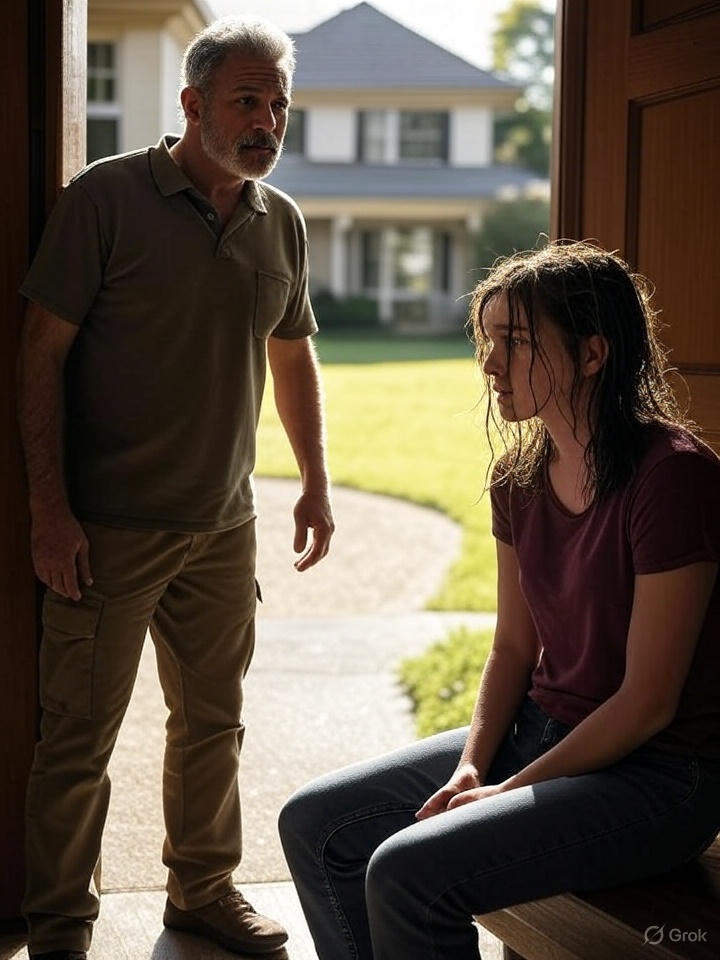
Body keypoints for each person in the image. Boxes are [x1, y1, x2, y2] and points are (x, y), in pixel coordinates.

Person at [278, 241, 720, 960]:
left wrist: (513, 787)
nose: (488, 365)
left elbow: (648, 703)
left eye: (513, 344)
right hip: (539, 731)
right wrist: (472, 767)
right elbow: (514, 648)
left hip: (658, 776)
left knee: (407, 871)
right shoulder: (518, 478)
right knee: (316, 824)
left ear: (591, 354)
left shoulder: (674, 481)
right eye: (487, 342)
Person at [17, 16, 334, 960]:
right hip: (109, 527)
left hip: (223, 527)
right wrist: (48, 509)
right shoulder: (105, 198)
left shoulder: (282, 219)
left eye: (278, 104)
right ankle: (61, 928)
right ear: (192, 104)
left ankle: (200, 891)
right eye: (247, 100)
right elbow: (39, 357)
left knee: (213, 727)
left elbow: (294, 355)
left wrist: (315, 482)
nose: (267, 121)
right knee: (78, 740)